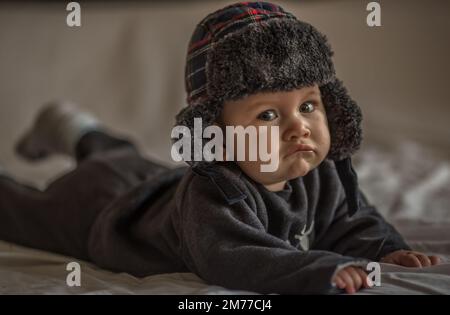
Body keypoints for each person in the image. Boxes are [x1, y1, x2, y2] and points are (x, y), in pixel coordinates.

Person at [0, 2, 440, 294]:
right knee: (22, 211)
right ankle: (73, 138)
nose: (299, 128)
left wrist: (384, 248)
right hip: (104, 210)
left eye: (309, 105)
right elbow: (233, 257)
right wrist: (318, 269)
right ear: (217, 132)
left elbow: (349, 219)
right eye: (267, 115)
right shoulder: (212, 195)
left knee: (122, 156)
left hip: (151, 177)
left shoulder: (320, 172)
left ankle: (75, 127)